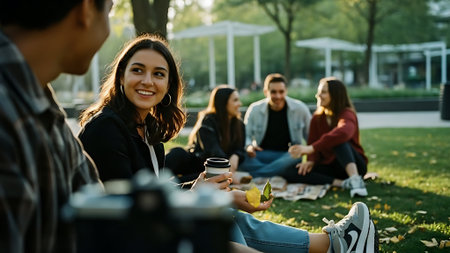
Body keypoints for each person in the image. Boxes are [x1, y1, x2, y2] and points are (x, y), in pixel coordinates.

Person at [79, 35, 378, 253]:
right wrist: (199, 194)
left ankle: (331, 244)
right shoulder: (106, 129)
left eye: (159, 74)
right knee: (215, 223)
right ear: (120, 77)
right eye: (137, 70)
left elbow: (152, 197)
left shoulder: (148, 131)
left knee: (225, 213)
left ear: (169, 85)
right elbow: (131, 215)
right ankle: (335, 244)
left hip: (146, 233)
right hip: (125, 241)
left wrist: (220, 195)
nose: (148, 81)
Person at [0, 0, 113, 252]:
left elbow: (101, 224)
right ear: (85, 10)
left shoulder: (42, 111)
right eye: (110, 8)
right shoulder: (10, 117)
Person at [288, 77, 369, 198]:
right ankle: (343, 184)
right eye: (319, 92)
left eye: (323, 92)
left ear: (335, 95)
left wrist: (311, 148)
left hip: (354, 165)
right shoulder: (317, 117)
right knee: (292, 171)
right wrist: (311, 160)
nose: (318, 95)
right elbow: (312, 140)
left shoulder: (347, 114)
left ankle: (356, 181)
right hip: (330, 166)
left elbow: (343, 133)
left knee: (337, 140)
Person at [165, 85, 247, 184]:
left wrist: (236, 155)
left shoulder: (239, 124)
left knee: (213, 177)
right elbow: (213, 151)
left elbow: (241, 148)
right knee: (178, 153)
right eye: (235, 100)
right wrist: (228, 166)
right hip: (196, 162)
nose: (239, 103)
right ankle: (155, 174)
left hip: (211, 171)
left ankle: (172, 183)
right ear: (223, 103)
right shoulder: (208, 120)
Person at [238, 73, 312, 180]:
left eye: (281, 92)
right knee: (243, 158)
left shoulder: (300, 108)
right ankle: (279, 171)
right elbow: (246, 135)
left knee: (296, 157)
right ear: (265, 92)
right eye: (273, 92)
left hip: (288, 155)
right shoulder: (254, 109)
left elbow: (311, 137)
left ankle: (252, 175)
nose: (278, 96)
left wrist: (310, 158)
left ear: (286, 91)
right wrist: (249, 146)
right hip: (261, 155)